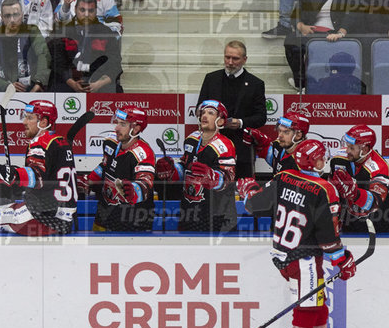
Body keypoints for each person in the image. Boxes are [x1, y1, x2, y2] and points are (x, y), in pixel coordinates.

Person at [239, 137, 353, 328]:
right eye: (322, 157)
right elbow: (328, 237)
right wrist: (343, 259)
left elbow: (254, 205)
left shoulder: (283, 176)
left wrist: (248, 189)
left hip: (284, 255)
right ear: (315, 161)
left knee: (320, 309)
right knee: (306, 314)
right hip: (305, 259)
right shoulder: (324, 188)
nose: (326, 161)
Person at [0, 100, 77, 236]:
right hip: (65, 220)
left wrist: (6, 173)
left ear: (44, 122)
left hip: (43, 219)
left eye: (30, 118)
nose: (24, 122)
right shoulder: (62, 142)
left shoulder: (40, 142)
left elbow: (37, 176)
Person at [163, 99, 238, 234]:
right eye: (203, 112)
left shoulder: (225, 145)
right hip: (189, 212)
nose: (204, 115)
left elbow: (228, 179)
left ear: (220, 121)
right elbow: (185, 166)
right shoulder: (191, 139)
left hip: (217, 216)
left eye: (210, 113)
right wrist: (172, 170)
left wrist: (212, 176)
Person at [79, 107, 157, 234]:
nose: (116, 128)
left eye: (123, 124)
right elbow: (105, 166)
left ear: (136, 129)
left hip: (131, 222)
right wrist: (89, 180)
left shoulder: (144, 153)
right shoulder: (111, 142)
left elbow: (146, 182)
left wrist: (135, 190)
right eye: (117, 123)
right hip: (104, 215)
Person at [196, 41, 268, 174]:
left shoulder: (255, 84)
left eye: (235, 58)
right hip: (211, 143)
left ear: (244, 59)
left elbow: (261, 117)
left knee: (241, 187)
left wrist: (240, 123)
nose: (230, 62)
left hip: (241, 146)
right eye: (227, 57)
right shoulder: (211, 79)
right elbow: (199, 108)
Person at [327, 124, 389, 233]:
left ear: (365, 149)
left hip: (384, 223)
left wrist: (354, 193)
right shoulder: (339, 160)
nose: (347, 151)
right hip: (352, 221)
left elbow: (375, 202)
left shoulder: (379, 167)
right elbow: (331, 192)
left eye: (351, 148)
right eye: (347, 145)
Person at [54, 0, 121, 93]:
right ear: (75, 9)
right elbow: (57, 63)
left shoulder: (106, 33)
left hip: (99, 85)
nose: (86, 14)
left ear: (96, 11)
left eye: (90, 11)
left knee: (116, 89)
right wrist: (72, 83)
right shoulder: (64, 32)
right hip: (69, 84)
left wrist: (98, 84)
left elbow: (115, 64)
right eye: (82, 10)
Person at [0, 0, 50, 93]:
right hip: (0, 90)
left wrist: (39, 82)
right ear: (1, 17)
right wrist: (6, 86)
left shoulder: (32, 32)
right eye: (7, 16)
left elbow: (43, 55)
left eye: (16, 15)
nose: (12, 20)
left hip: (29, 88)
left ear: (22, 15)